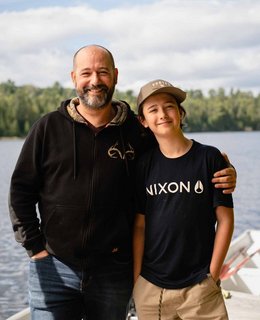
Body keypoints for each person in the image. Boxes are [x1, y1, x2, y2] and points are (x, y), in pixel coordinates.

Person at [8, 45, 236, 320]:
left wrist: (225, 171)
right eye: (86, 73)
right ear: (73, 78)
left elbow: (179, 156)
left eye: (103, 72)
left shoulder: (138, 130)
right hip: (53, 267)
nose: (95, 80)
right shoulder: (48, 128)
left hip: (113, 271)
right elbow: (20, 190)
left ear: (115, 75)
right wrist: (35, 249)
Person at [133, 79, 234, 320]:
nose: (162, 114)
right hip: (152, 288)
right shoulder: (144, 165)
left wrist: (213, 275)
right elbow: (139, 225)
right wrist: (137, 281)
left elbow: (226, 221)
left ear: (180, 112)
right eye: (153, 109)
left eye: (169, 106)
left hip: (201, 285)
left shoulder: (209, 158)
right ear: (143, 121)